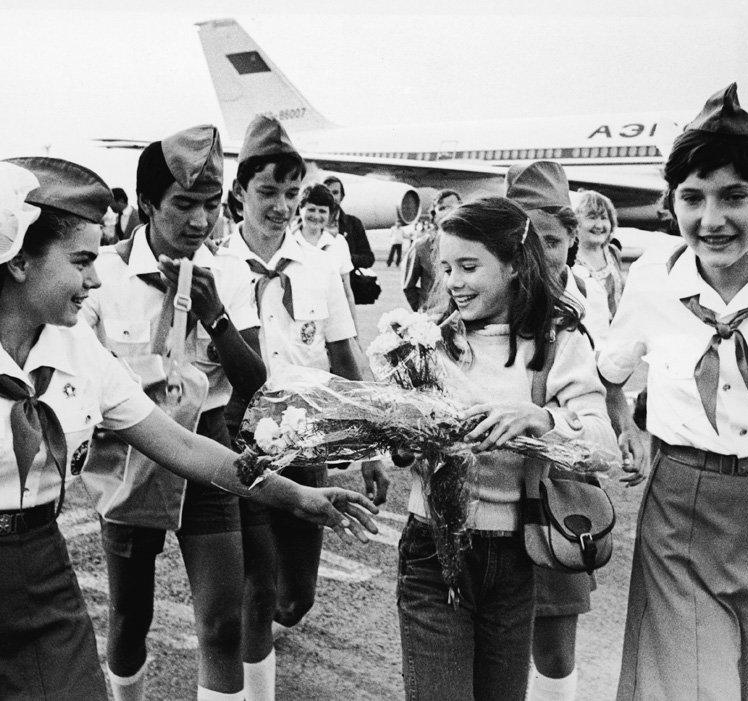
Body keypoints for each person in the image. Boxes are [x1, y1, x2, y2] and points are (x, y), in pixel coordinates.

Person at [0, 157, 378, 701]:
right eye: (82, 260)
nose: (95, 278)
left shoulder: (80, 352)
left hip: (44, 576)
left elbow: (182, 446)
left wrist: (298, 497)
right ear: (17, 263)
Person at [599, 84, 748, 700]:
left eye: (735, 196)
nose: (711, 220)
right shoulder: (651, 278)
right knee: (685, 689)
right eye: (691, 198)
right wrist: (623, 421)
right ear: (669, 202)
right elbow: (611, 368)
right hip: (683, 511)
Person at [397, 196, 617, 700]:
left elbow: (602, 448)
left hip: (517, 556)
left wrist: (542, 420)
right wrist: (401, 431)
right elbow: (401, 453)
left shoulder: (560, 340)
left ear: (516, 264)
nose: (454, 281)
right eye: (446, 267)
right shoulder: (424, 341)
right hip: (433, 551)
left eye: (470, 266)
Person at [78, 126, 266, 701]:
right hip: (132, 448)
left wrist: (214, 314)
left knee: (223, 620)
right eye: (183, 204)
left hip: (208, 444)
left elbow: (253, 378)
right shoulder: (103, 274)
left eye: (211, 205)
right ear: (147, 205)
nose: (199, 221)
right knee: (132, 616)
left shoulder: (228, 270)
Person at [226, 115, 389, 701]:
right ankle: (250, 678)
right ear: (240, 190)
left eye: (291, 193)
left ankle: (253, 646)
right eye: (267, 191)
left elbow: (346, 359)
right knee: (257, 588)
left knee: (297, 598)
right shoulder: (215, 267)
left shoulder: (319, 266)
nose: (280, 206)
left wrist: (371, 452)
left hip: (308, 449)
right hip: (240, 454)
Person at [502, 161, 602, 701]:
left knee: (556, 649)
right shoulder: (481, 298)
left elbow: (605, 388)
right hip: (489, 495)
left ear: (571, 242)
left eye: (552, 240)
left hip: (556, 494)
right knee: (498, 644)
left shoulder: (590, 305)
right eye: (526, 241)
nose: (541, 254)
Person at [291, 182, 358, 330]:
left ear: (330, 214)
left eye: (322, 211)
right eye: (311, 209)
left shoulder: (338, 243)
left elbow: (347, 294)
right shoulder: (287, 242)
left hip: (330, 324)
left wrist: (355, 335)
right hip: (294, 325)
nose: (316, 216)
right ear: (300, 208)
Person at [573, 189, 625, 344]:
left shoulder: (613, 252)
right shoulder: (571, 259)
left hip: (617, 337)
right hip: (587, 340)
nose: (599, 225)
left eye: (604, 218)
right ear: (576, 222)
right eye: (592, 217)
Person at [402, 189, 461, 315]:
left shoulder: (471, 244)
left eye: (455, 207)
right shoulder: (421, 246)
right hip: (434, 316)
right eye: (443, 208)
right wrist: (424, 309)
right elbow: (408, 286)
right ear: (435, 214)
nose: (449, 212)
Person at [322, 175, 374, 270]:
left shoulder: (354, 224)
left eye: (335, 192)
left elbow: (369, 259)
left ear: (342, 196)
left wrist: (347, 258)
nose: (331, 197)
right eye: (327, 193)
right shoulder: (314, 224)